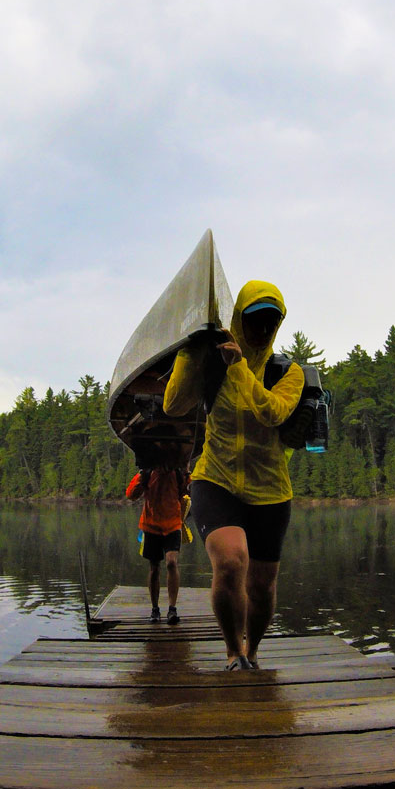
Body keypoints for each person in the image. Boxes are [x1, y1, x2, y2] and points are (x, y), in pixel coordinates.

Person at [163, 280, 303, 670]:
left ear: (278, 326)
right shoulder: (213, 362)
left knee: (262, 586)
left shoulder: (289, 373)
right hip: (216, 477)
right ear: (239, 318)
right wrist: (192, 352)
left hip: (271, 490)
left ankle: (253, 650)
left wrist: (239, 366)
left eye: (270, 322)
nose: (262, 329)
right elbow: (174, 405)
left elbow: (272, 412)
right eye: (254, 320)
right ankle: (232, 651)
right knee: (229, 562)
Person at [125, 454, 190, 624]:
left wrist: (187, 473)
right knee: (154, 568)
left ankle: (172, 609)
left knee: (171, 562)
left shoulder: (177, 473)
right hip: (151, 525)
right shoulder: (147, 473)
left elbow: (188, 491)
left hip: (173, 525)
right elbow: (131, 495)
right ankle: (155, 609)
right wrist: (142, 475)